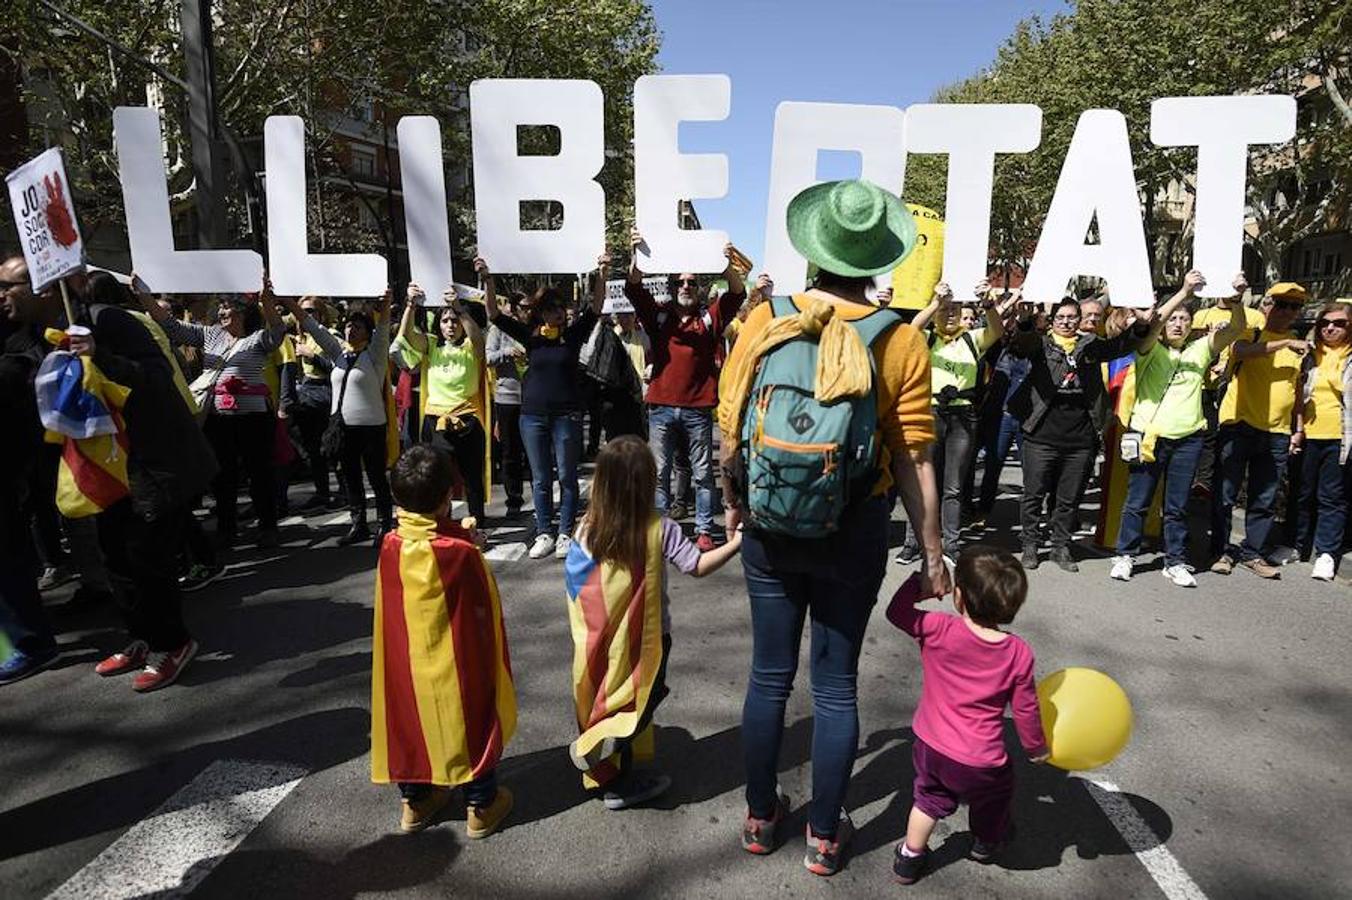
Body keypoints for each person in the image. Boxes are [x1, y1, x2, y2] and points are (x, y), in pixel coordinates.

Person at [718, 179, 944, 876]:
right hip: (855, 527)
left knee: (768, 676)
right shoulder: (900, 339)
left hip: (771, 523)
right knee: (837, 683)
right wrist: (933, 552)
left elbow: (729, 429)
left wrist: (736, 502)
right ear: (879, 258)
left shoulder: (766, 318)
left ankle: (760, 818)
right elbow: (913, 458)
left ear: (812, 248)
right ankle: (823, 835)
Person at [563, 435, 742, 809]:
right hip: (648, 642)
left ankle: (607, 757)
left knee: (605, 697)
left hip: (596, 639)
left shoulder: (586, 528)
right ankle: (616, 776)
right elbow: (697, 565)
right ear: (648, 484)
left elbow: (580, 587)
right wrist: (736, 543)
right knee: (641, 700)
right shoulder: (659, 528)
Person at [74, 271, 219, 691]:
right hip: (107, 462)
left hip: (150, 462)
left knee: (147, 558)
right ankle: (140, 637)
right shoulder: (58, 330)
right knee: (114, 556)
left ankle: (172, 643)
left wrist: (101, 356)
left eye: (9, 287)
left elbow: (154, 377)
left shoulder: (112, 323)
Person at [371, 445, 515, 837]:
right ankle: (481, 805)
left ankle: (416, 802)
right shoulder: (458, 551)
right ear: (448, 496)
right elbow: (483, 609)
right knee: (471, 715)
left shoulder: (389, 545)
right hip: (457, 661)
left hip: (406, 662)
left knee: (408, 720)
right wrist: (473, 546)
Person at [885, 548, 1048, 884]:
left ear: (958, 596)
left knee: (928, 799)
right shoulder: (1017, 653)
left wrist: (921, 580)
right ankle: (986, 842)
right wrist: (1035, 748)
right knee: (995, 798)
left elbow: (897, 611)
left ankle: (909, 857)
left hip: (930, 744)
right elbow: (1025, 708)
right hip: (981, 759)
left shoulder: (938, 628)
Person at [1110, 271, 1246, 587]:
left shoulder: (1200, 349)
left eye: (1185, 319)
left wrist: (1236, 302)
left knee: (1177, 506)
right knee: (1137, 502)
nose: (1178, 324)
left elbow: (1238, 328)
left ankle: (1175, 561)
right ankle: (1125, 555)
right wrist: (1184, 292)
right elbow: (1154, 322)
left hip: (1188, 438)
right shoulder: (1149, 348)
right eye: (1174, 319)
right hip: (1147, 436)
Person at [138, 284, 287, 548]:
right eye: (220, 307)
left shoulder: (258, 338)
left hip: (253, 417)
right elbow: (171, 326)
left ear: (242, 313)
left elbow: (278, 331)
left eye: (227, 307)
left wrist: (266, 300)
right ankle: (227, 529)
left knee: (259, 473)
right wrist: (144, 296)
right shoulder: (210, 336)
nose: (221, 312)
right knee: (223, 477)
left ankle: (268, 526)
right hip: (218, 417)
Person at [627, 235, 748, 551]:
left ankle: (705, 530)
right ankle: (660, 530)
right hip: (661, 409)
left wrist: (725, 264)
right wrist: (637, 252)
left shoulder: (710, 317)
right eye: (680, 282)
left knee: (703, 474)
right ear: (671, 287)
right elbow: (634, 287)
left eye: (691, 282)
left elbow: (737, 291)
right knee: (660, 473)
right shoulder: (659, 316)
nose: (685, 286)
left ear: (699, 288)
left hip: (697, 410)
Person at [483, 256, 605, 560]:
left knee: (566, 475)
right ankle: (544, 533)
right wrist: (487, 278)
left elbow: (597, 307)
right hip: (532, 416)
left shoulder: (573, 335)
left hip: (567, 415)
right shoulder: (530, 336)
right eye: (550, 308)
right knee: (540, 479)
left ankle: (565, 532)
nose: (557, 313)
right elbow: (494, 314)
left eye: (560, 307)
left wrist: (602, 273)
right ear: (540, 313)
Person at [1007, 296, 1141, 572]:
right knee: (1033, 494)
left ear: (1079, 319)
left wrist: (1142, 323)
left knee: (1069, 498)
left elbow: (1120, 346)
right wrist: (1024, 321)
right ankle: (1030, 546)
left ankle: (1060, 546)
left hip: (1080, 437)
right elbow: (1022, 345)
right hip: (1041, 433)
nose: (1067, 322)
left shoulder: (1090, 345)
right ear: (1053, 321)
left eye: (1072, 317)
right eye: (1061, 318)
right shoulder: (1042, 344)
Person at [897, 279, 1008, 562]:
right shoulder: (928, 338)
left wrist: (988, 303)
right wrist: (936, 301)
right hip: (931, 413)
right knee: (923, 481)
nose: (950, 314)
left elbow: (997, 330)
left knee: (954, 486)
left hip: (963, 417)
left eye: (955, 309)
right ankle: (913, 542)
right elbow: (910, 329)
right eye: (945, 310)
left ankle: (952, 542)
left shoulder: (972, 338)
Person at [1209, 282, 1309, 578]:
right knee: (1225, 495)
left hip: (1277, 433)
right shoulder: (1251, 331)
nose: (1287, 311)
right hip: (1239, 426)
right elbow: (1240, 351)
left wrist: (1298, 429)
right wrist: (1283, 344)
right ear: (1267, 305)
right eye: (1281, 304)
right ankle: (1222, 551)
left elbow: (1298, 390)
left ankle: (1253, 553)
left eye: (1294, 306)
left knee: (1264, 500)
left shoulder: (1298, 346)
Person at [279, 289, 395, 546]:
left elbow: (384, 326)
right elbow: (312, 326)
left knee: (376, 477)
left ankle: (385, 525)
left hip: (372, 427)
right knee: (351, 477)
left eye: (357, 326)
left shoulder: (375, 354)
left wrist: (385, 305)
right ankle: (359, 525)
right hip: (343, 428)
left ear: (367, 331)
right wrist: (286, 298)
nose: (351, 329)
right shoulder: (338, 353)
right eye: (348, 325)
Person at [394, 286, 490, 523]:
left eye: (455, 320)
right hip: (435, 423)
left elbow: (477, 338)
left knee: (472, 480)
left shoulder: (471, 347)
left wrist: (460, 308)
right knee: (437, 479)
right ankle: (441, 524)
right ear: (439, 324)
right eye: (445, 320)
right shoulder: (430, 345)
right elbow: (406, 334)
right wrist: (411, 305)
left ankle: (477, 524)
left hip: (467, 421)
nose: (450, 325)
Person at [1296, 300, 1352, 581]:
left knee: (1331, 497)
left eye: (1339, 323)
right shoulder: (1310, 355)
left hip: (1340, 437)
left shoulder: (1349, 356)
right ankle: (1298, 546)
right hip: (1308, 434)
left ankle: (1326, 554)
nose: (1330, 328)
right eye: (1325, 323)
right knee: (1303, 493)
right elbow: (1299, 394)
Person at [286, 296, 339, 510]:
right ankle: (322, 492)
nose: (306, 316)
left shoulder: (330, 336)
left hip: (325, 392)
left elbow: (340, 367)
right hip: (306, 394)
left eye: (311, 311)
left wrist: (312, 357)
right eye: (303, 311)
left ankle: (343, 492)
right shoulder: (301, 338)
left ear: (321, 314)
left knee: (330, 447)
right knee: (312, 448)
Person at [484, 294, 529, 517]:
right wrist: (507, 352)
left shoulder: (535, 328)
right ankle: (514, 499)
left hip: (532, 397)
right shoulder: (498, 329)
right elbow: (487, 358)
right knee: (510, 451)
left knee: (532, 450)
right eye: (523, 307)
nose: (527, 312)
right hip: (507, 397)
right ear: (513, 308)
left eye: (531, 308)